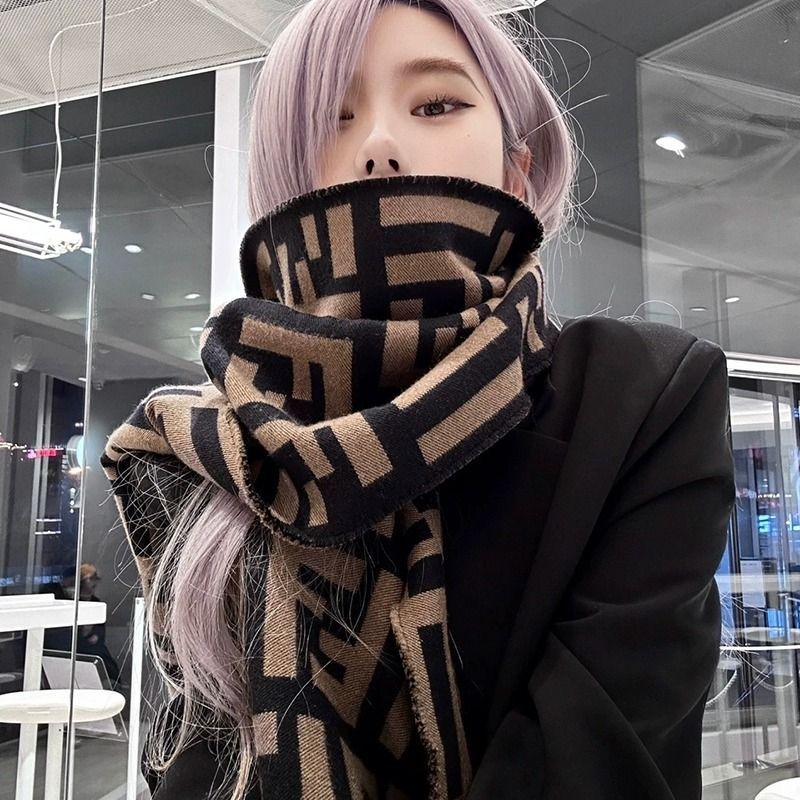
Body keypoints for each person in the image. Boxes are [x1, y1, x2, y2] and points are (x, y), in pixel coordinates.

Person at [101, 0, 736, 797]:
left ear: (518, 169)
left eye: (436, 104)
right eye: (329, 118)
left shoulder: (641, 399)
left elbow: (597, 758)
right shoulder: (203, 446)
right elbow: (202, 758)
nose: (378, 144)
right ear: (283, 180)